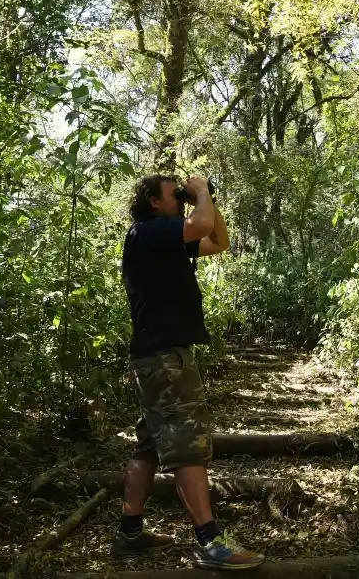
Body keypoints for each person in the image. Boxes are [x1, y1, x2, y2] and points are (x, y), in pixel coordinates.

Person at [111, 174, 265, 570]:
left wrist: (206, 197)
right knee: (187, 443)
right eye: (173, 194)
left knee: (149, 444)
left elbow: (219, 241)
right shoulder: (150, 231)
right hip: (165, 357)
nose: (180, 199)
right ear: (154, 202)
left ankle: (130, 530)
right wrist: (197, 192)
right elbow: (198, 224)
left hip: (158, 357)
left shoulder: (160, 240)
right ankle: (209, 542)